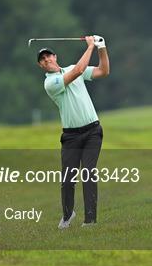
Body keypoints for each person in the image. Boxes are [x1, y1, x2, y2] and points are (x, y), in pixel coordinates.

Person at [36, 35, 110, 229]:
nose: (46, 60)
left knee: (88, 173)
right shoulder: (50, 83)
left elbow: (103, 71)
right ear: (41, 66)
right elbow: (78, 71)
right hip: (71, 137)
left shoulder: (70, 68)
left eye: (48, 56)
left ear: (55, 57)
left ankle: (90, 220)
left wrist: (102, 48)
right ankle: (67, 215)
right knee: (68, 180)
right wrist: (91, 47)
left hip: (93, 130)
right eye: (42, 59)